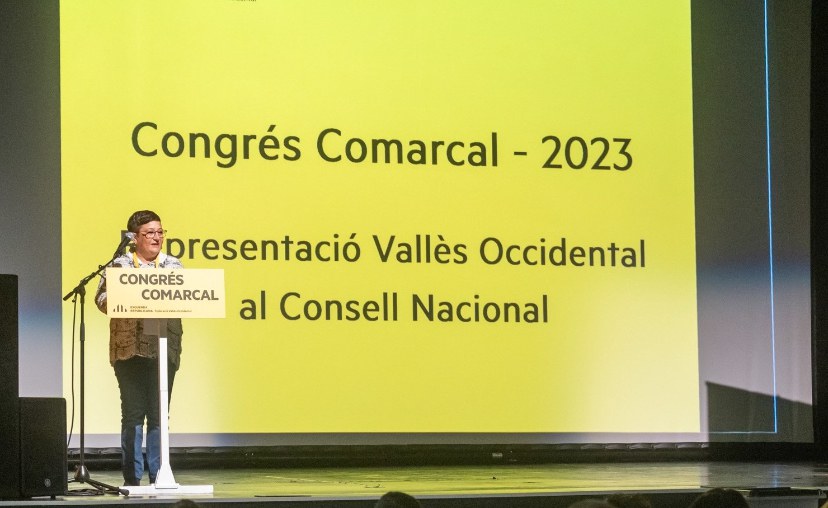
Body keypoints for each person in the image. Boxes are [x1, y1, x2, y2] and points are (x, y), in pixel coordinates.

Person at [95, 210, 184, 486]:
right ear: (134, 237)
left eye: (160, 232)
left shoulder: (173, 265)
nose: (157, 237)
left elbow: (185, 297)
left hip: (163, 349)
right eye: (150, 233)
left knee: (159, 415)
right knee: (133, 414)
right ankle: (132, 479)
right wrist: (127, 297)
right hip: (129, 349)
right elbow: (101, 299)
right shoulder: (120, 265)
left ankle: (159, 476)